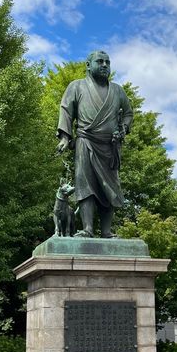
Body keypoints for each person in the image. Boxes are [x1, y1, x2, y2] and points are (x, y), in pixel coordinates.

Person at [57, 50, 133, 238]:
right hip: (85, 141)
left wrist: (123, 127)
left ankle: (106, 231)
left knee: (110, 188)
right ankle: (88, 229)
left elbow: (129, 113)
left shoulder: (117, 90)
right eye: (100, 61)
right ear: (88, 65)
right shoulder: (77, 86)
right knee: (85, 185)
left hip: (110, 145)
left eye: (108, 62)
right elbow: (66, 110)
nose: (105, 65)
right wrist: (65, 138)